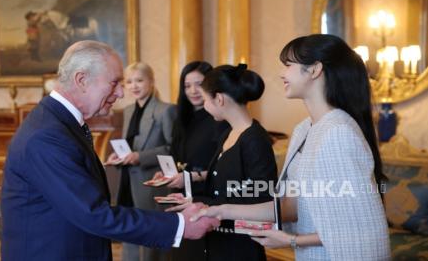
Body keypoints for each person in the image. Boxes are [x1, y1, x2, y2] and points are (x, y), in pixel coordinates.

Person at [0, 40, 220, 261]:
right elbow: (93, 214)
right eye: (114, 83)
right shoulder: (47, 136)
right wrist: (180, 225)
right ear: (81, 80)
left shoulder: (58, 122)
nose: (121, 93)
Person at [191, 34, 391, 260]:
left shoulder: (338, 132)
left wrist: (290, 240)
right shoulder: (303, 129)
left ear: (315, 70)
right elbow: (291, 206)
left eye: (288, 65)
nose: (282, 73)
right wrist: (221, 210)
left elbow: (357, 229)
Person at [166, 64, 278, 261]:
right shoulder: (229, 132)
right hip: (218, 239)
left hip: (240, 245)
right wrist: (194, 200)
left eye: (206, 99)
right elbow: (221, 184)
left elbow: (263, 200)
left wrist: (207, 204)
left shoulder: (255, 140)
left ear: (219, 99)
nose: (205, 106)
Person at [153, 61, 229, 261]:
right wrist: (166, 174)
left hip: (206, 197)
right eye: (187, 86)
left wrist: (189, 177)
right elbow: (176, 154)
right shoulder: (182, 117)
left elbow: (223, 166)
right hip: (180, 194)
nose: (193, 91)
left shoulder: (219, 118)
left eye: (199, 84)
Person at [105, 62, 175, 261]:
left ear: (151, 82)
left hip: (151, 183)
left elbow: (173, 149)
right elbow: (130, 145)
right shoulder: (128, 111)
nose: (134, 86)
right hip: (128, 181)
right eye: (129, 82)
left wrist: (139, 157)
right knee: (130, 233)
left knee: (149, 239)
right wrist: (119, 157)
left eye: (139, 80)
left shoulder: (166, 111)